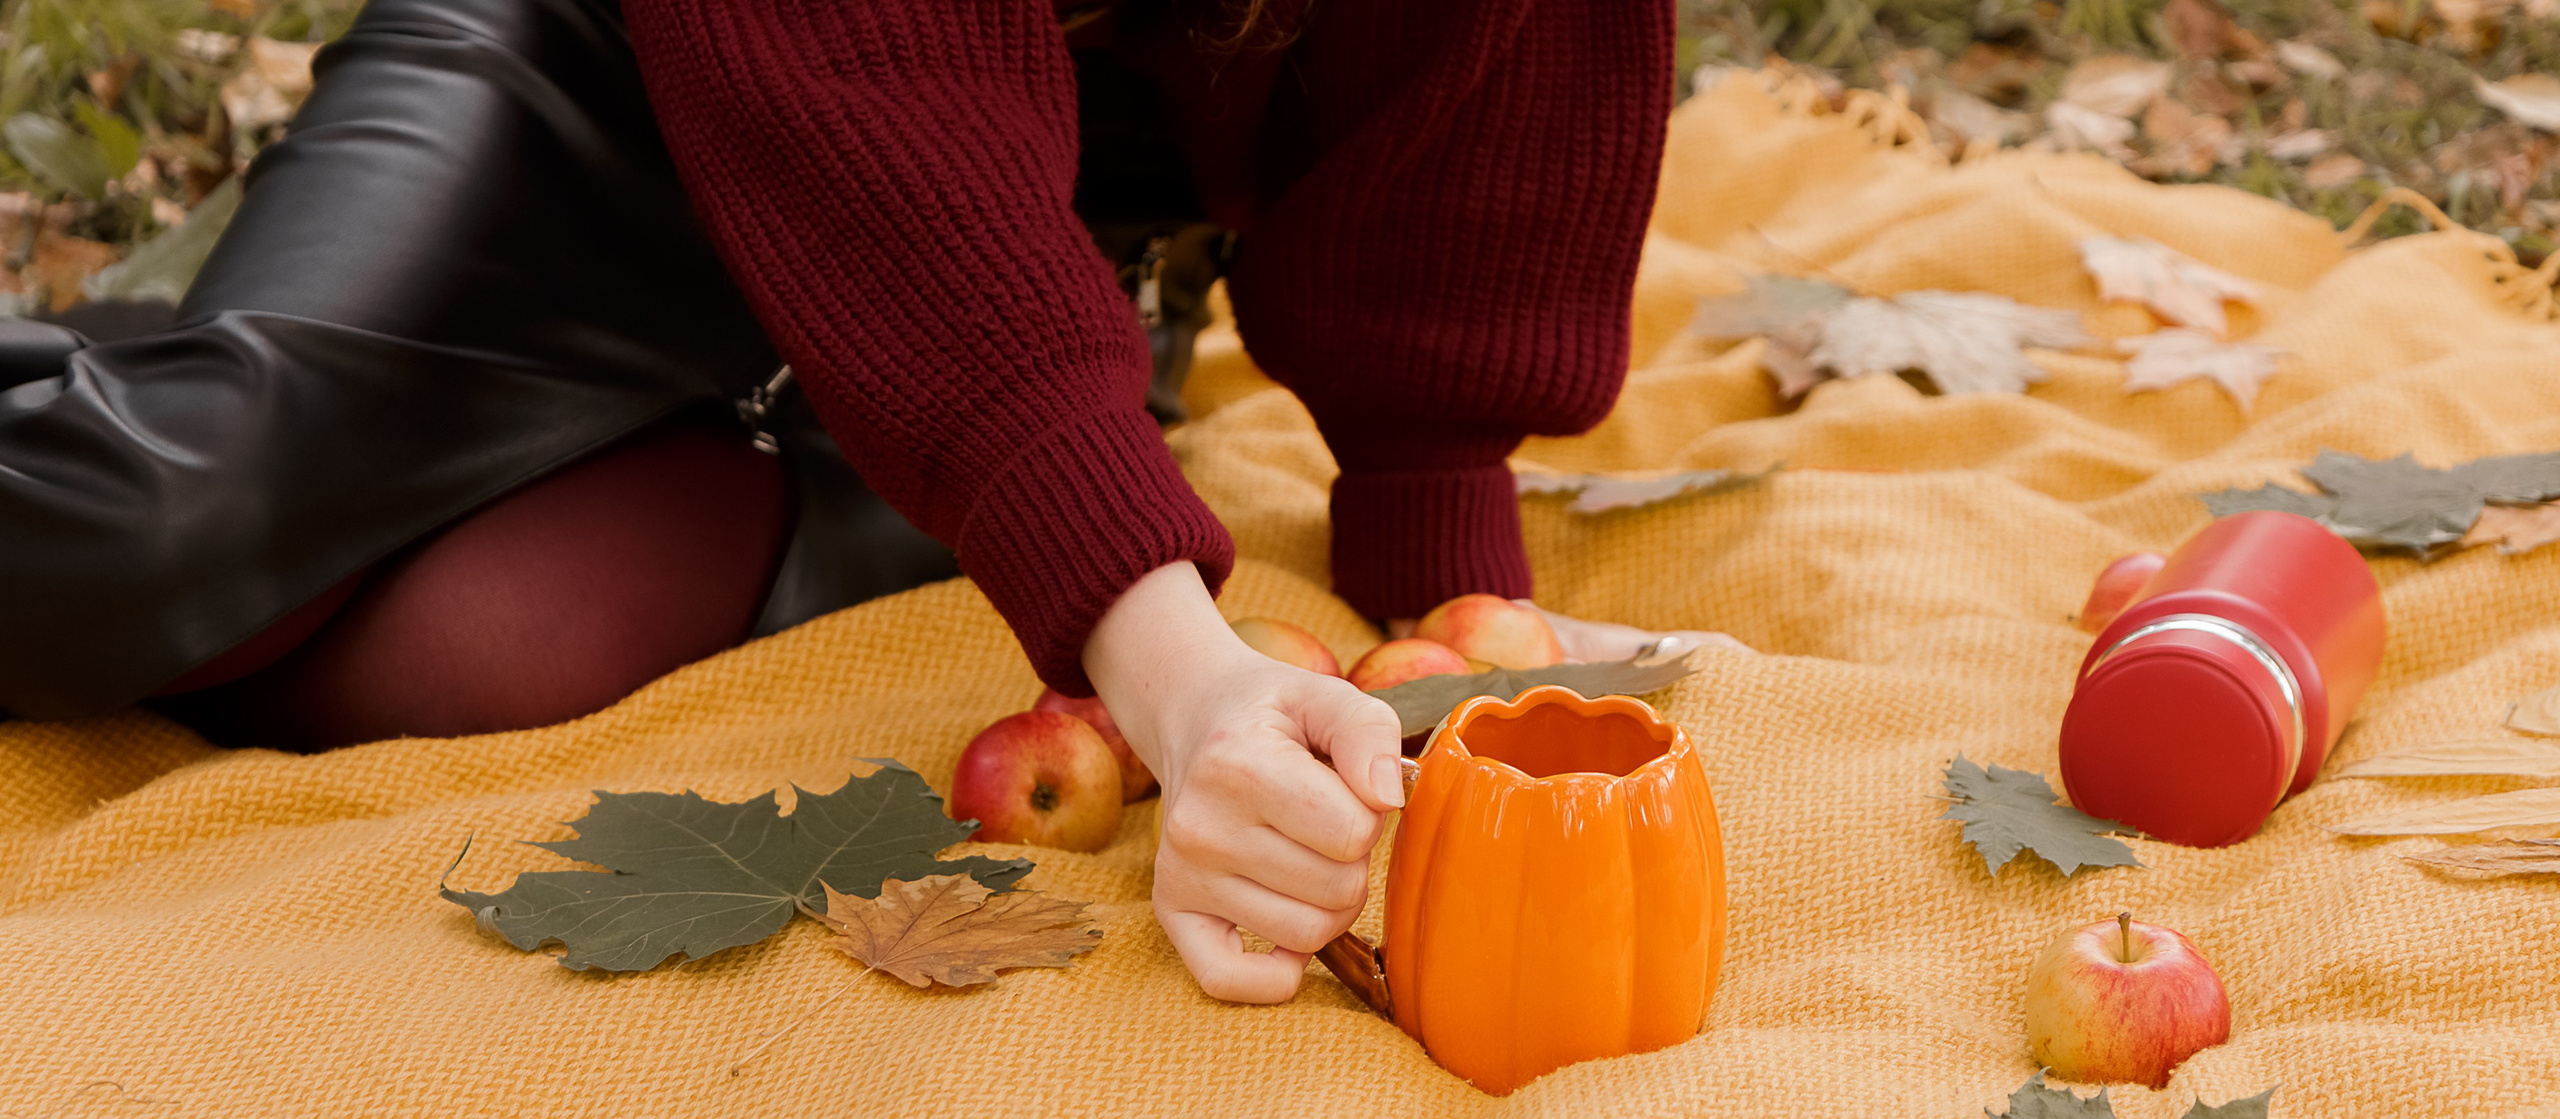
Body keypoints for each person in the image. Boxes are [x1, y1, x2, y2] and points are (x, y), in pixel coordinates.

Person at [0, 0, 1680, 1003]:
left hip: (1028, 250)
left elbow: (1500, 54)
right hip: (604, 88)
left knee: (486, 653)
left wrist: (1447, 574)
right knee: (163, 523)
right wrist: (1178, 670)